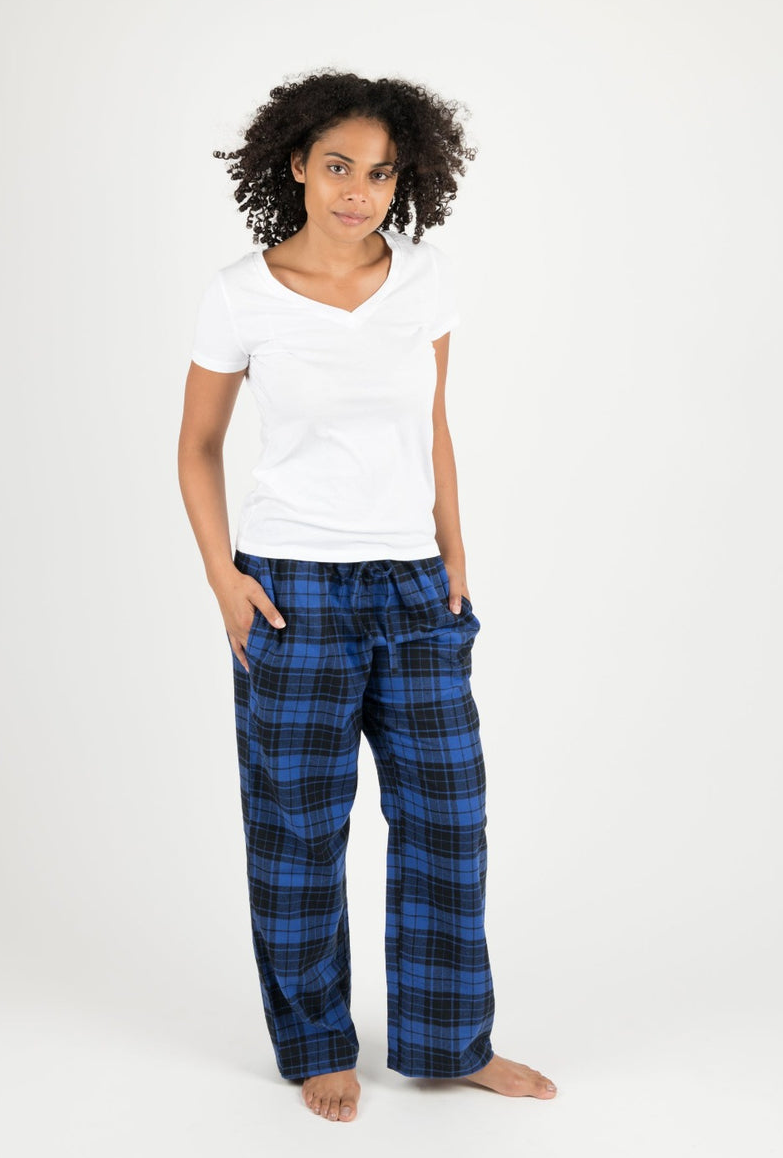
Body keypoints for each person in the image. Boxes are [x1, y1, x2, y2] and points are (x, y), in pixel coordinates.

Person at [177, 69, 557, 1123]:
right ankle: (317, 1043)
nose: (359, 191)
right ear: (297, 164)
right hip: (290, 590)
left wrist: (455, 556)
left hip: (414, 585)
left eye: (381, 173)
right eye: (339, 166)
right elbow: (198, 445)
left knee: (449, 815)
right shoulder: (239, 293)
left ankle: (449, 1040)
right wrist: (223, 579)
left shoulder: (424, 280)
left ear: (405, 179)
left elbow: (432, 424)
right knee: (297, 826)